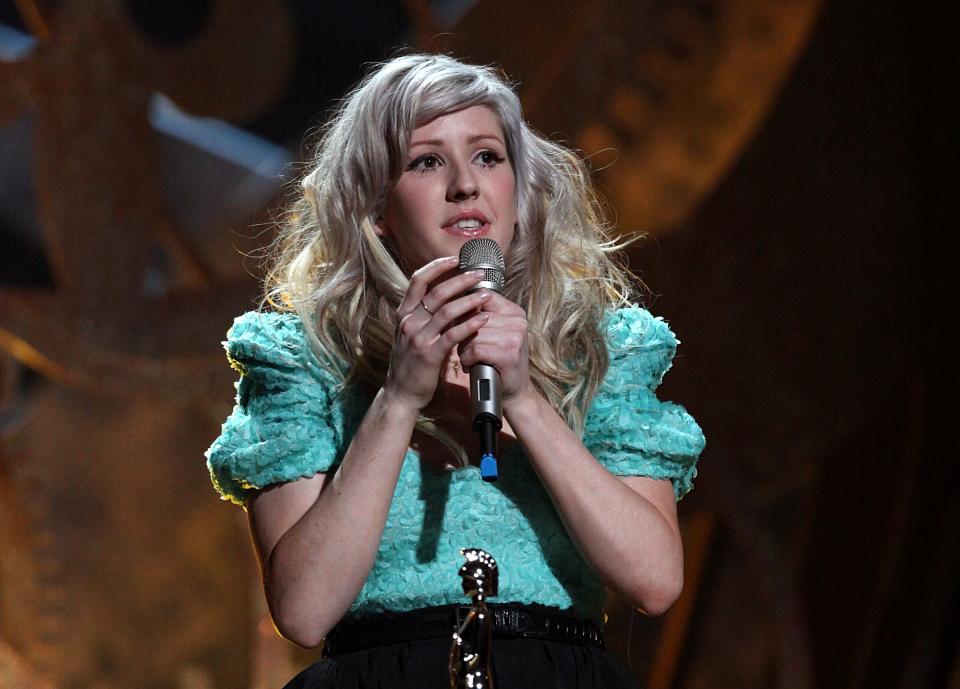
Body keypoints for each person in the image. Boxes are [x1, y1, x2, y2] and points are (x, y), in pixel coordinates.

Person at [206, 53, 705, 688]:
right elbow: (304, 612)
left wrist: (523, 397)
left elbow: (655, 581)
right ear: (377, 205)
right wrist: (397, 398)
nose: (466, 184)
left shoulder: (597, 348)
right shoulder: (305, 360)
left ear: (518, 193)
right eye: (427, 161)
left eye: (488, 157)